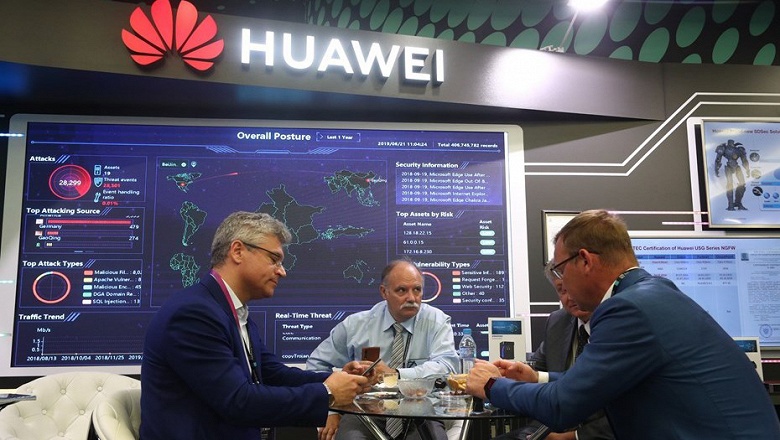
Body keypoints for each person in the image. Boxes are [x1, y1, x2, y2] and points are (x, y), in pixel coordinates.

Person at [466, 210, 780, 439]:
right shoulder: (652, 292)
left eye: (560, 271)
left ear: (585, 260)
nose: (562, 285)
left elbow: (562, 407)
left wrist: (491, 386)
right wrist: (537, 377)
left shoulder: (627, 309)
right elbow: (603, 379)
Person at [141, 211, 370, 440]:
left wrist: (340, 378)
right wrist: (328, 393)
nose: (282, 271)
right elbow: (238, 402)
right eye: (274, 259)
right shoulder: (194, 314)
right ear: (238, 251)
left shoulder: (232, 311)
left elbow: (272, 374)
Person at [307, 258, 460, 440]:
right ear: (384, 292)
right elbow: (316, 365)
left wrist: (395, 375)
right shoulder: (356, 326)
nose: (411, 298)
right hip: (367, 412)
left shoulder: (436, 322)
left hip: (422, 411)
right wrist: (329, 410)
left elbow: (447, 366)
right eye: (401, 290)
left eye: (417, 290)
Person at [499, 262, 613, 440]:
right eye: (562, 290)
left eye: (573, 287)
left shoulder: (616, 325)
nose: (570, 297)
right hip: (549, 426)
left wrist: (569, 437)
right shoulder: (558, 322)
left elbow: (628, 411)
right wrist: (507, 376)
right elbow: (537, 374)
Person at [714, 138, 750, 211]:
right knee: (730, 185)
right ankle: (730, 205)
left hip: (736, 167)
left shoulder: (739, 149)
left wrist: (747, 169)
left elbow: (744, 160)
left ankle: (738, 203)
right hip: (728, 167)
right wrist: (716, 169)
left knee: (742, 184)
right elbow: (718, 159)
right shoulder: (723, 148)